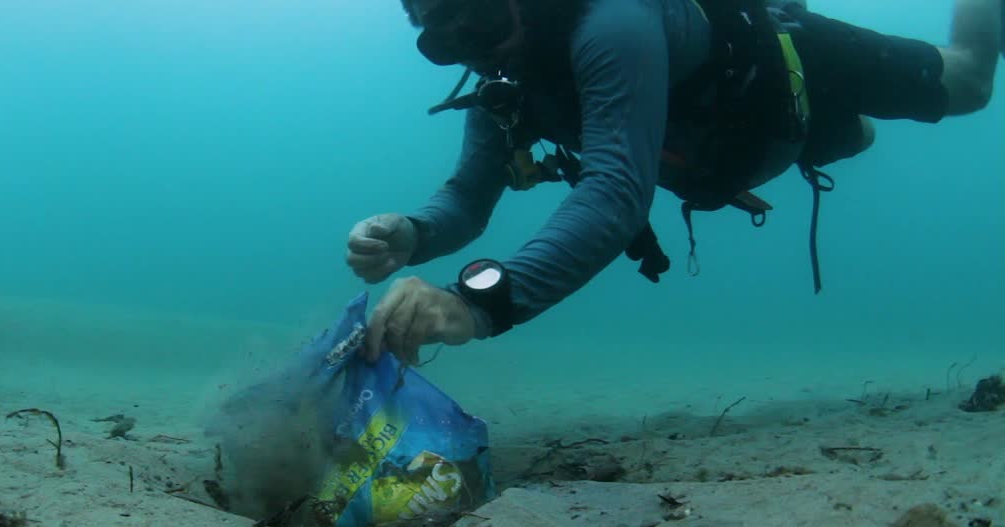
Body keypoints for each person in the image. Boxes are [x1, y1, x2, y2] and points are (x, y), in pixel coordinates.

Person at [346, 0, 1003, 366]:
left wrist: (477, 303)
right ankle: (843, 133)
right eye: (439, 38)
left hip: (793, 71)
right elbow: (467, 197)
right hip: (731, 156)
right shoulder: (509, 86)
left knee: (970, 81)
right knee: (848, 137)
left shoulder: (613, 23)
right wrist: (412, 231)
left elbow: (616, 192)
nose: (470, 46)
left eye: (479, 18)